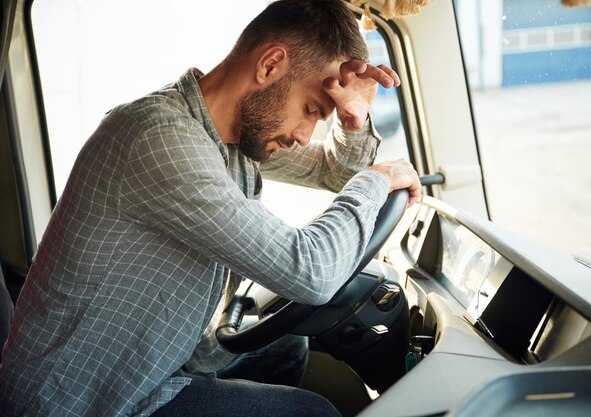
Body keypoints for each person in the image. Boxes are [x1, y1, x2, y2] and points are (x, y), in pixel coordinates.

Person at [0, 0, 421, 416]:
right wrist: (377, 181)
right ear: (270, 65)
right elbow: (309, 272)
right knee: (313, 413)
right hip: (86, 402)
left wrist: (355, 120)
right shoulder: (160, 138)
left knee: (286, 348)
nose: (303, 134)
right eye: (311, 109)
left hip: (160, 364)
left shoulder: (233, 135)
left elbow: (332, 172)